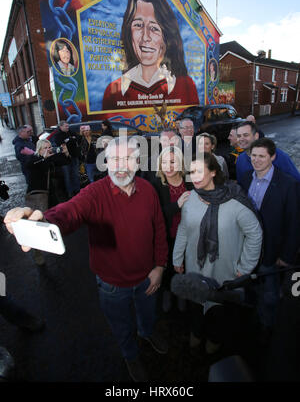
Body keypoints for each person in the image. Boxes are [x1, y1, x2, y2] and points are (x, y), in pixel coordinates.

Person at [4, 136, 168, 382]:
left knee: (148, 315)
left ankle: (147, 332)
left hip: (147, 277)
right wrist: (40, 220)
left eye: (128, 158)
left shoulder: (148, 190)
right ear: (106, 162)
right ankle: (130, 355)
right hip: (112, 285)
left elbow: (159, 230)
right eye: (114, 159)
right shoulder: (94, 193)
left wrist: (160, 266)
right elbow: (70, 211)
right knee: (122, 327)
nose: (121, 165)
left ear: (137, 162)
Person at [173, 152, 262, 354]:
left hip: (225, 270)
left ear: (213, 172)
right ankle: (196, 333)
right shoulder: (191, 197)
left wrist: (246, 267)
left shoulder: (235, 200)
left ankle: (214, 339)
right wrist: (177, 257)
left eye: (199, 171)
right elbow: (184, 229)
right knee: (196, 305)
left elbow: (255, 234)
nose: (194, 177)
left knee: (220, 311)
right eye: (191, 172)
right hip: (195, 267)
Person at [102, 0, 199, 111]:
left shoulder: (186, 86)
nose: (145, 37)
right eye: (138, 25)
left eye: (154, 28)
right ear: (128, 32)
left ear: (166, 37)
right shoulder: (113, 92)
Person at [239, 137, 300, 332]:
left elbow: (294, 223)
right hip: (249, 250)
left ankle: (268, 327)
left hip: (273, 253)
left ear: (272, 157)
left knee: (270, 293)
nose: (256, 160)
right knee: (250, 286)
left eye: (261, 156)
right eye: (253, 156)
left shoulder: (288, 184)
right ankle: (251, 318)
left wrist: (287, 256)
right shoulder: (247, 177)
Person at [153, 146, 192, 312]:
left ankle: (183, 296)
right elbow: (155, 216)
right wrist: (177, 205)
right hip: (168, 237)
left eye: (172, 162)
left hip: (189, 237)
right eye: (164, 162)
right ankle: (169, 295)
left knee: (186, 268)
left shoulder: (190, 181)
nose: (168, 166)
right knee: (169, 269)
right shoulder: (156, 185)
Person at [236, 121, 300, 184]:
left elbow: (296, 182)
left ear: (256, 136)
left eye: (245, 135)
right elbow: (241, 185)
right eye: (239, 136)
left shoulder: (277, 155)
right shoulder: (240, 159)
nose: (241, 139)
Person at [51, 121, 81, 199]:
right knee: (67, 176)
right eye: (66, 126)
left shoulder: (71, 131)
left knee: (76, 174)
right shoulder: (57, 135)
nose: (68, 127)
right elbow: (60, 144)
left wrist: (68, 140)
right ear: (61, 127)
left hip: (74, 156)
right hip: (64, 159)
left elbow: (78, 137)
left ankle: (77, 190)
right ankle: (70, 193)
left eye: (68, 126)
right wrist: (70, 139)